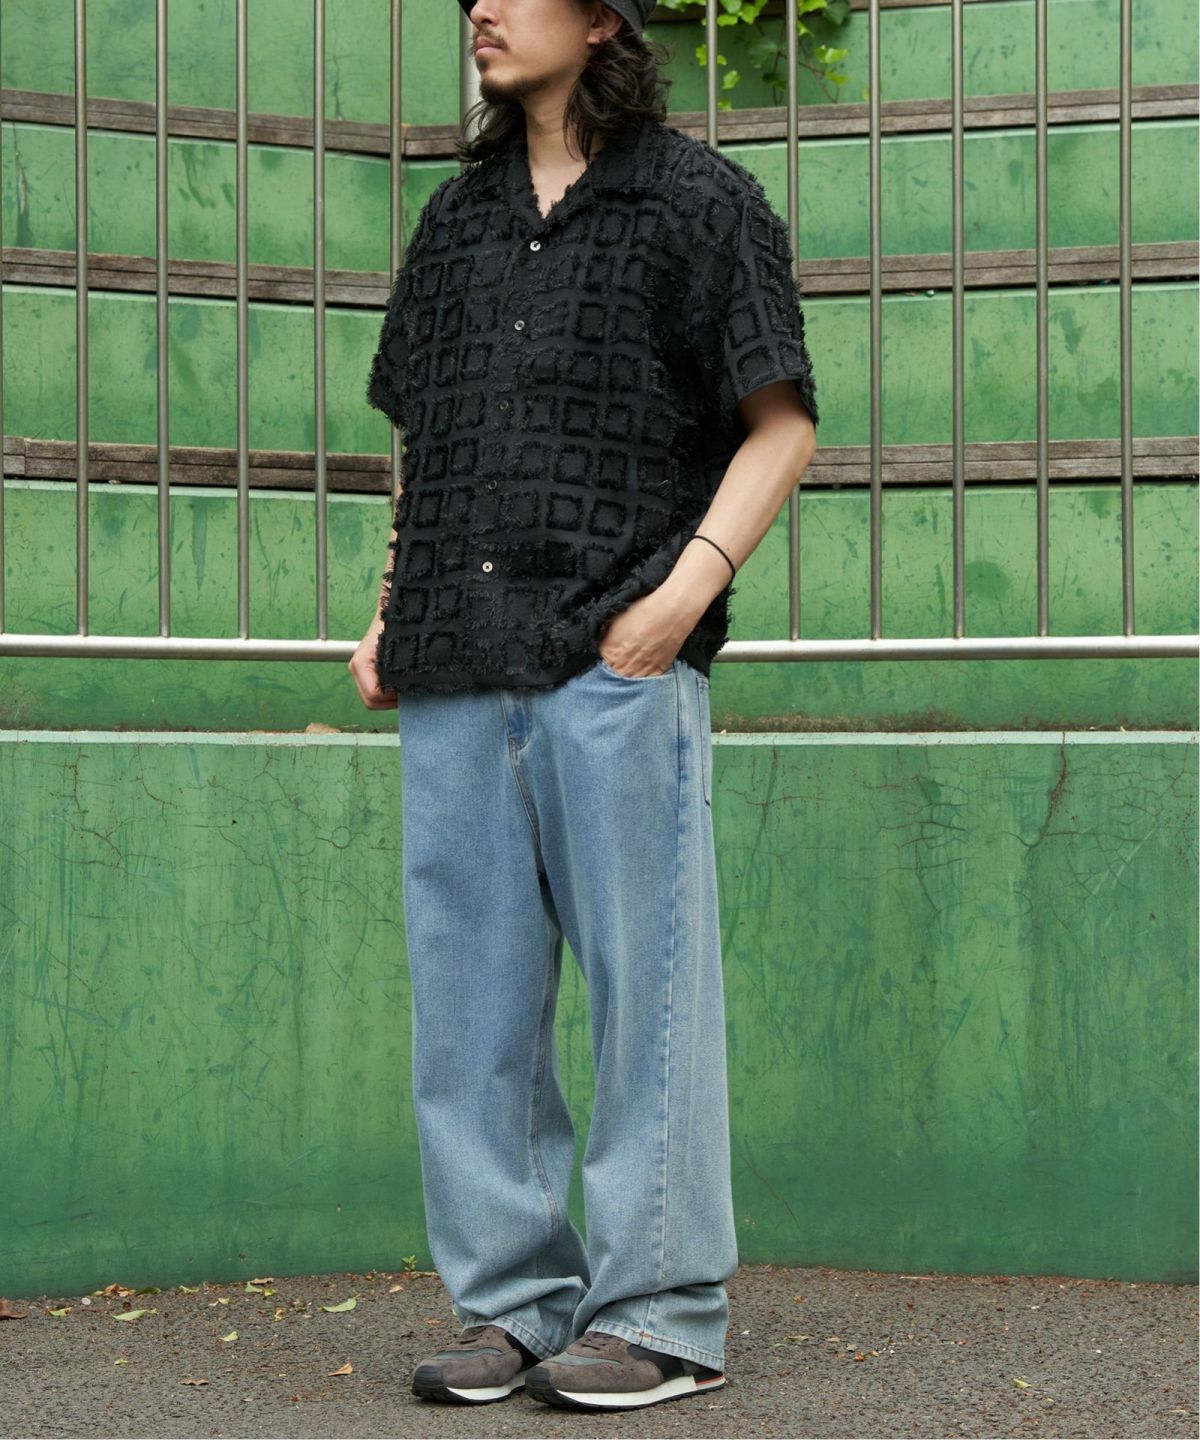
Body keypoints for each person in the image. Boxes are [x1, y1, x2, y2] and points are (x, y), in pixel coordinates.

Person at [348, 0, 819, 1411]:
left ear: (603, 18)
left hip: (616, 653)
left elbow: (781, 423)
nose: (480, 10)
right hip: (455, 654)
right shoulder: (455, 221)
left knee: (646, 996)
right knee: (469, 1013)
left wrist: (682, 597)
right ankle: (512, 1305)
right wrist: (389, 603)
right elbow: (429, 439)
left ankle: (662, 1314)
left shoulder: (699, 201)